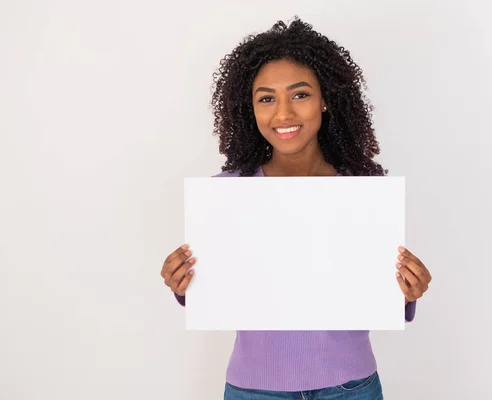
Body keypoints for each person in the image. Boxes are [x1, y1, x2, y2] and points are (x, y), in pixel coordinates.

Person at [160, 17, 432, 400]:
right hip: (254, 388)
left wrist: (407, 292)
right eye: (267, 98)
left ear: (325, 100)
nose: (283, 114)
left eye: (300, 95)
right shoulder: (227, 195)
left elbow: (373, 289)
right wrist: (185, 285)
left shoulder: (363, 195)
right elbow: (221, 289)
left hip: (349, 386)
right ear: (250, 108)